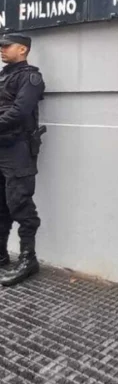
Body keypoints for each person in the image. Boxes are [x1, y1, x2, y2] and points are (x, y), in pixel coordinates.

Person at [0, 33, 45, 287]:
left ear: (23, 49)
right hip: (2, 147)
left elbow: (19, 112)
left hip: (18, 149)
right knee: (1, 204)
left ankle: (29, 259)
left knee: (20, 204)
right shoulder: (3, 76)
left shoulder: (31, 78)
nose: (2, 50)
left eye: (7, 46)